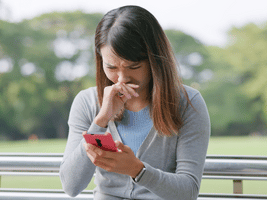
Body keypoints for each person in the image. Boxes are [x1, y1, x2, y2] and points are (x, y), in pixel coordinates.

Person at [60, 5, 210, 200]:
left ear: (154, 60)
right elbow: (71, 187)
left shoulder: (188, 104)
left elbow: (188, 192)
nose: (122, 79)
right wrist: (101, 120)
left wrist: (138, 170)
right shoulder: (87, 102)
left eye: (134, 66)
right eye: (111, 67)